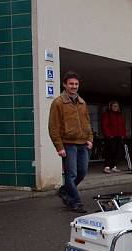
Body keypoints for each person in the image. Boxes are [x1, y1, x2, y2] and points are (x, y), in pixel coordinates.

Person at [48, 71, 93, 213]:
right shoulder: (58, 103)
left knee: (82, 172)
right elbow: (53, 127)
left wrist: (90, 139)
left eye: (76, 84)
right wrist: (59, 146)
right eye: (71, 84)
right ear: (64, 85)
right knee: (71, 174)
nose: (74, 86)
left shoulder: (82, 102)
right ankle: (75, 202)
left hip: (83, 143)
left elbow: (87, 123)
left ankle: (64, 190)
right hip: (68, 144)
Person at [100, 100, 126, 174]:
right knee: (109, 151)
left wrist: (123, 135)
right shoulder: (107, 114)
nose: (115, 107)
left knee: (117, 151)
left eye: (117, 106)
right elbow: (104, 125)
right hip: (110, 136)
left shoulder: (120, 115)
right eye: (114, 106)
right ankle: (107, 167)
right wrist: (108, 135)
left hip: (118, 136)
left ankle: (113, 166)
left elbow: (122, 126)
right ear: (110, 107)